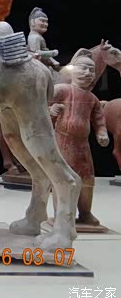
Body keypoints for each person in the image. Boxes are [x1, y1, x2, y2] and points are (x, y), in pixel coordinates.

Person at [49, 51, 109, 226]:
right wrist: (51, 111)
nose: (88, 73)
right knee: (62, 179)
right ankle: (61, 215)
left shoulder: (92, 99)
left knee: (87, 179)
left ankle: (85, 213)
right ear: (72, 70)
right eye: (83, 68)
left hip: (83, 146)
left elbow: (99, 121)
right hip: (62, 141)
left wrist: (102, 134)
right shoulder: (62, 90)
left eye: (91, 70)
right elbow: (41, 108)